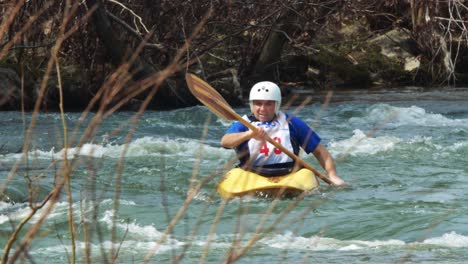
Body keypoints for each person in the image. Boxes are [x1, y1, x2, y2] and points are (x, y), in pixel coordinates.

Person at [220, 81, 345, 186]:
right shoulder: (243, 123)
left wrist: (332, 175)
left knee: (307, 173)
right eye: (258, 103)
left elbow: (319, 151)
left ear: (277, 104)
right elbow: (225, 141)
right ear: (252, 105)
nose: (263, 109)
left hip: (290, 173)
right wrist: (249, 135)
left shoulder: (291, 123)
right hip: (251, 173)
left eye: (269, 104)